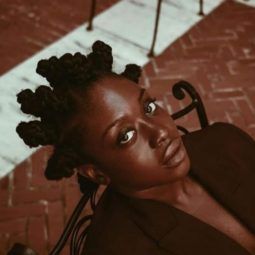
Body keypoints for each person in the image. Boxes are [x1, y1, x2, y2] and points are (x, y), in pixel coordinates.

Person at [16, 40, 255, 255]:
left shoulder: (224, 140)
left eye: (149, 108)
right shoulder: (119, 247)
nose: (160, 132)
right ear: (96, 173)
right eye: (126, 135)